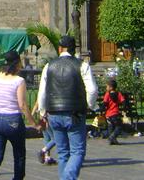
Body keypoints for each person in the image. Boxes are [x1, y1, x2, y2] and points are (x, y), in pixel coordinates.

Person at [36, 35, 98, 180]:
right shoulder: (82, 65)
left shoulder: (49, 66)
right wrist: (89, 105)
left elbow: (42, 91)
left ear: (60, 48)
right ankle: (68, 178)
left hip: (54, 113)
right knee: (77, 151)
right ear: (73, 49)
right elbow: (93, 90)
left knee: (63, 152)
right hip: (74, 113)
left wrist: (43, 112)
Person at [0, 50, 37, 180]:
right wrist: (33, 123)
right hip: (12, 120)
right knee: (19, 155)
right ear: (17, 63)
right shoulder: (19, 81)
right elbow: (22, 105)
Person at [31, 101, 57, 165]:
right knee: (55, 138)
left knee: (47, 138)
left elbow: (37, 103)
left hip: (42, 118)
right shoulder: (48, 92)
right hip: (47, 118)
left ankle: (47, 157)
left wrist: (31, 115)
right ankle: (43, 151)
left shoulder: (41, 92)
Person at [103, 78, 125, 145]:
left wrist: (102, 109)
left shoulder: (107, 94)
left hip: (108, 114)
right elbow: (123, 101)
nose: (106, 87)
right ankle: (113, 137)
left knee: (110, 127)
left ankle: (111, 139)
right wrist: (124, 108)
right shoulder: (118, 94)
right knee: (119, 126)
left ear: (111, 87)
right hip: (115, 113)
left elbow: (105, 103)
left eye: (107, 86)